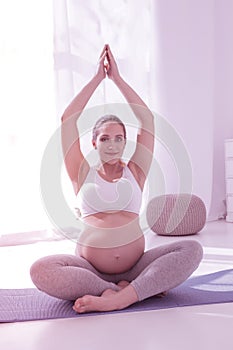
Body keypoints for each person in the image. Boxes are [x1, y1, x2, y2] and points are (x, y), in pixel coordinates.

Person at [30, 45, 203, 313]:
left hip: (136, 266)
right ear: (94, 142)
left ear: (125, 142)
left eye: (119, 138)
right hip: (89, 270)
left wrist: (118, 80)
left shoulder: (136, 171)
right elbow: (68, 120)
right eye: (105, 138)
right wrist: (98, 78)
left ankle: (121, 296)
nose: (112, 144)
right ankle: (118, 290)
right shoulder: (81, 171)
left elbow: (147, 121)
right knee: (41, 269)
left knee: (191, 250)